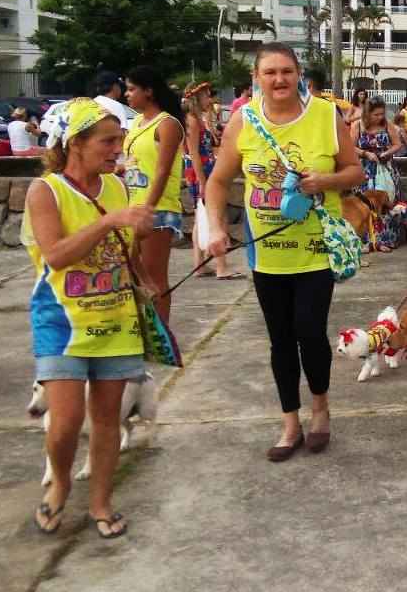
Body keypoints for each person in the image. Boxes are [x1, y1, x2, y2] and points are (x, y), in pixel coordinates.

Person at [205, 42, 364, 461]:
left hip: (315, 249)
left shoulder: (326, 117)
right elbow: (218, 180)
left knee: (310, 331)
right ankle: (289, 421)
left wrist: (324, 182)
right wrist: (216, 226)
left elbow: (355, 171)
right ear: (256, 78)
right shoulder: (243, 121)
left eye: (286, 72)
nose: (279, 80)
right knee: (279, 340)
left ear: (299, 76)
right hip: (267, 253)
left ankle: (320, 409)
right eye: (270, 72)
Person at [23, 98, 153, 538]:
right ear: (75, 143)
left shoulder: (116, 187)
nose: (119, 148)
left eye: (120, 139)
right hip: (61, 321)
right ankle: (60, 484)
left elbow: (123, 251)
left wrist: (137, 253)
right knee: (65, 420)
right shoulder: (46, 190)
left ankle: (100, 501)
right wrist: (111, 221)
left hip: (116, 317)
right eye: (109, 141)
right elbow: (56, 255)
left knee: (107, 419)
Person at [123, 66, 185, 324]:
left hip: (157, 210)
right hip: (134, 206)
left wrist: (147, 210)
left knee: (154, 276)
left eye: (131, 89)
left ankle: (162, 333)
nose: (127, 94)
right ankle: (146, 328)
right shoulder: (137, 122)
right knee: (133, 273)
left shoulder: (167, 124)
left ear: (148, 91)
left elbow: (162, 171)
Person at [183, 82, 243, 280]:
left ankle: (200, 264)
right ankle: (221, 265)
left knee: (201, 216)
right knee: (217, 216)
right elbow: (193, 152)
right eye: (206, 96)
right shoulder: (192, 120)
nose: (210, 100)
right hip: (202, 171)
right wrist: (202, 182)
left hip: (206, 169)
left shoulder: (200, 118)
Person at [353, 98, 405, 197]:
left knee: (388, 196)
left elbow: (397, 144)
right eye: (376, 115)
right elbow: (351, 147)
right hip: (365, 168)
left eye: (382, 114)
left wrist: (387, 153)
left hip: (385, 165)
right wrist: (366, 154)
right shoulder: (357, 125)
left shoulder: (387, 124)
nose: (380, 117)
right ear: (367, 114)